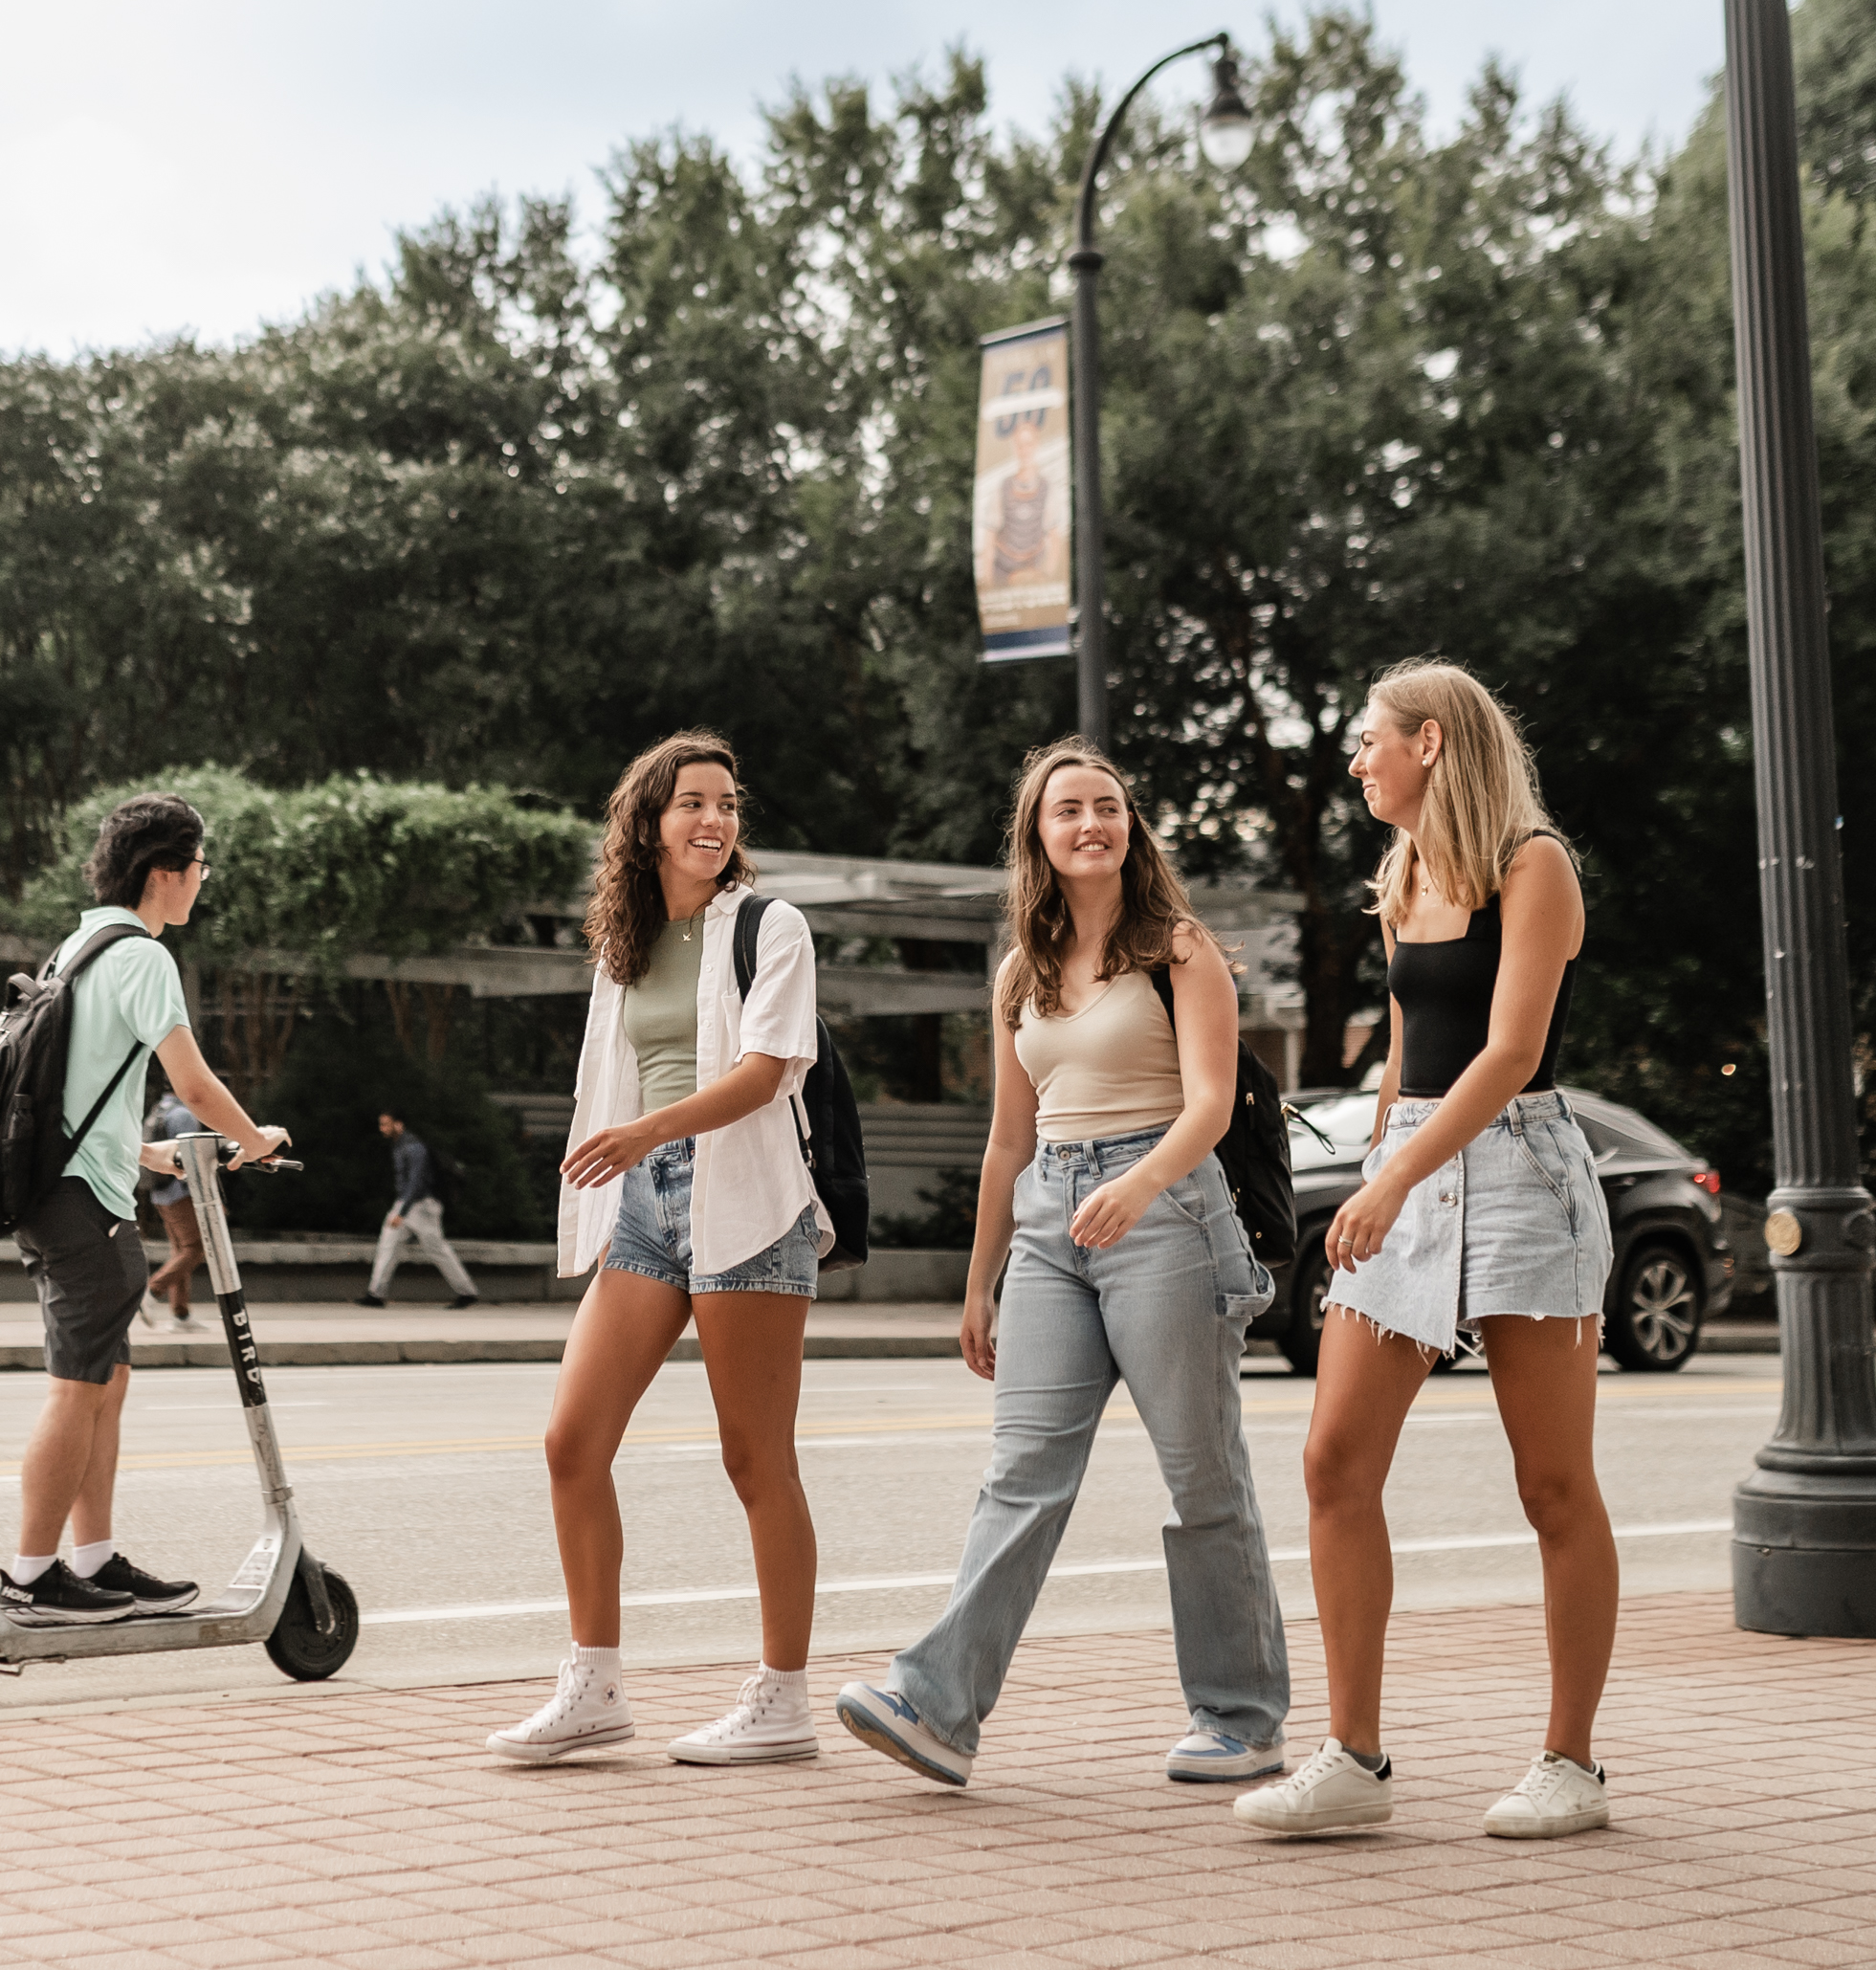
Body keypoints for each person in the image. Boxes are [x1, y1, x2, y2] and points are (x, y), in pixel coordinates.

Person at [837, 739, 1290, 1790]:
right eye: (1067, 810)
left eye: (1108, 807)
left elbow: (1214, 1103)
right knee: (1020, 1474)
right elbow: (1007, 1138)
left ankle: (1242, 1714)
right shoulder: (1021, 974)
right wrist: (980, 1277)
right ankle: (939, 1704)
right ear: (1037, 837)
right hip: (1049, 1218)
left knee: (1200, 1476)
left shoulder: (1180, 950)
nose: (1091, 822)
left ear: (1131, 829)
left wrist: (1139, 1184)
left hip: (1165, 1206)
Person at [1238, 660, 1615, 1844]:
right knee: (1332, 1459)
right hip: (1413, 1164)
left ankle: (1572, 1764)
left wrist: (1395, 1175)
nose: (1357, 761)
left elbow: (1507, 1053)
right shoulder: (1404, 874)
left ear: (1435, 743)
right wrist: (1377, 1177)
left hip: (1521, 1174)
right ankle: (1353, 1756)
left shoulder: (1533, 867)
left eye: (1369, 741)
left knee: (1552, 1484)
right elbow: (1405, 1062)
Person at [488, 731, 828, 1767]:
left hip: (750, 1200)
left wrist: (647, 1132)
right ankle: (593, 1686)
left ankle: (784, 1699)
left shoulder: (771, 927)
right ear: (647, 822)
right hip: (649, 1204)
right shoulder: (622, 944)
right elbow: (615, 1074)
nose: (715, 821)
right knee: (571, 1442)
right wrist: (620, 1156)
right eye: (692, 804)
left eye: (728, 804)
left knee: (753, 1456)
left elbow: (771, 1069)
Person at [0, 791, 290, 1625]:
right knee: (77, 1387)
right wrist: (255, 1141)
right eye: (200, 867)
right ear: (165, 872)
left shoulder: (79, 945)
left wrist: (149, 1153)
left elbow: (75, 1094)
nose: (203, 881)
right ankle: (32, 1577)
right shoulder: (143, 957)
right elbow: (193, 1084)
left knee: (107, 1380)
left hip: (66, 1185)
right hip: (82, 1204)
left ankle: (90, 1562)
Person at [356, 1109, 480, 1309]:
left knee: (437, 1249)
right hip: (408, 1204)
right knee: (388, 1246)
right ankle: (375, 1294)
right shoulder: (399, 1146)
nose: (382, 1129)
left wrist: (402, 1212)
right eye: (381, 1124)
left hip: (421, 1206)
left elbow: (416, 1182)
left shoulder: (414, 1147)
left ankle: (467, 1291)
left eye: (386, 1124)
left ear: (399, 1124)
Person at [138, 1090, 205, 1333]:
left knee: (180, 1250)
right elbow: (190, 1159)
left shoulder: (159, 1109)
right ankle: (152, 1291)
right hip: (180, 1191)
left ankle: (181, 1314)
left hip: (159, 1191)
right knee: (195, 1249)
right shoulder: (184, 1115)